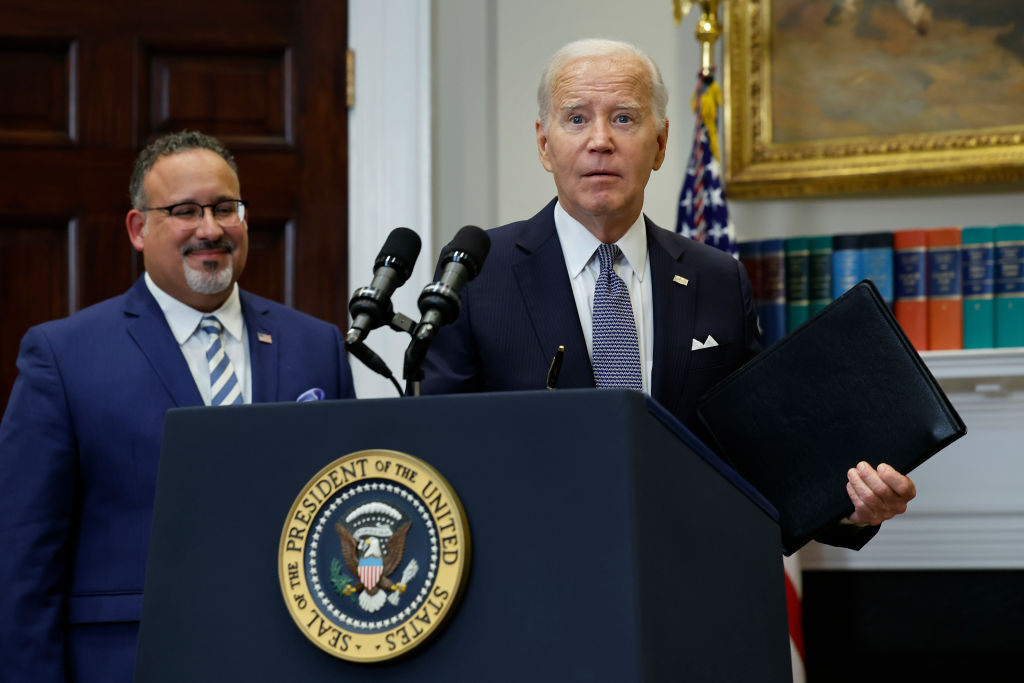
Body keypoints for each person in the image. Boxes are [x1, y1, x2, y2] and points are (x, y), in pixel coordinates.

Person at [421, 39, 915, 545]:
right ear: (544, 145)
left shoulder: (718, 278)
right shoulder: (479, 274)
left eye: (624, 119)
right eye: (575, 119)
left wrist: (849, 507)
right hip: (536, 572)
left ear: (660, 144)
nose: (600, 141)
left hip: (685, 578)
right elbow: (442, 453)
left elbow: (758, 457)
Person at [0, 131, 355, 682]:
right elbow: (22, 561)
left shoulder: (316, 345)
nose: (210, 229)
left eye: (224, 208)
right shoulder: (63, 357)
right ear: (139, 229)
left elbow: (342, 511)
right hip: (132, 661)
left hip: (294, 660)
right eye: (185, 211)